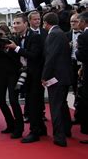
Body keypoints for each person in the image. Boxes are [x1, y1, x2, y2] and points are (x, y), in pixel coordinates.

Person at [6, 14, 46, 142]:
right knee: (32, 102)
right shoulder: (17, 37)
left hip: (35, 74)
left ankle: (35, 133)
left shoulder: (35, 37)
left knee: (34, 103)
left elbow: (33, 55)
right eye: (14, 23)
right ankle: (41, 128)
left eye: (18, 23)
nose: (15, 26)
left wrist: (16, 48)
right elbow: (18, 57)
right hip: (24, 74)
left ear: (25, 24)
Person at [42, 12, 72, 147]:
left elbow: (51, 58)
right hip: (64, 76)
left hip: (56, 77)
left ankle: (59, 137)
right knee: (62, 104)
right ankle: (67, 130)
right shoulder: (62, 33)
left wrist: (44, 76)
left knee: (56, 107)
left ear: (46, 23)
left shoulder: (53, 35)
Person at [75, 11, 88, 143]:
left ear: (84, 22)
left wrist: (77, 50)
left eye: (79, 21)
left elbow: (82, 56)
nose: (77, 24)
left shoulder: (83, 36)